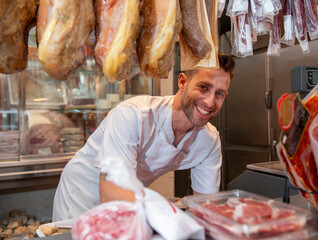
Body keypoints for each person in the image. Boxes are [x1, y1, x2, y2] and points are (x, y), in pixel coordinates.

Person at [52, 52, 235, 221]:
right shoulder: (132, 115)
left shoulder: (209, 141)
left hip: (126, 200)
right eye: (203, 87)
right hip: (81, 194)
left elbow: (206, 206)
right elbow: (111, 196)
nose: (210, 102)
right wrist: (164, 216)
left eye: (219, 94)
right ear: (182, 82)